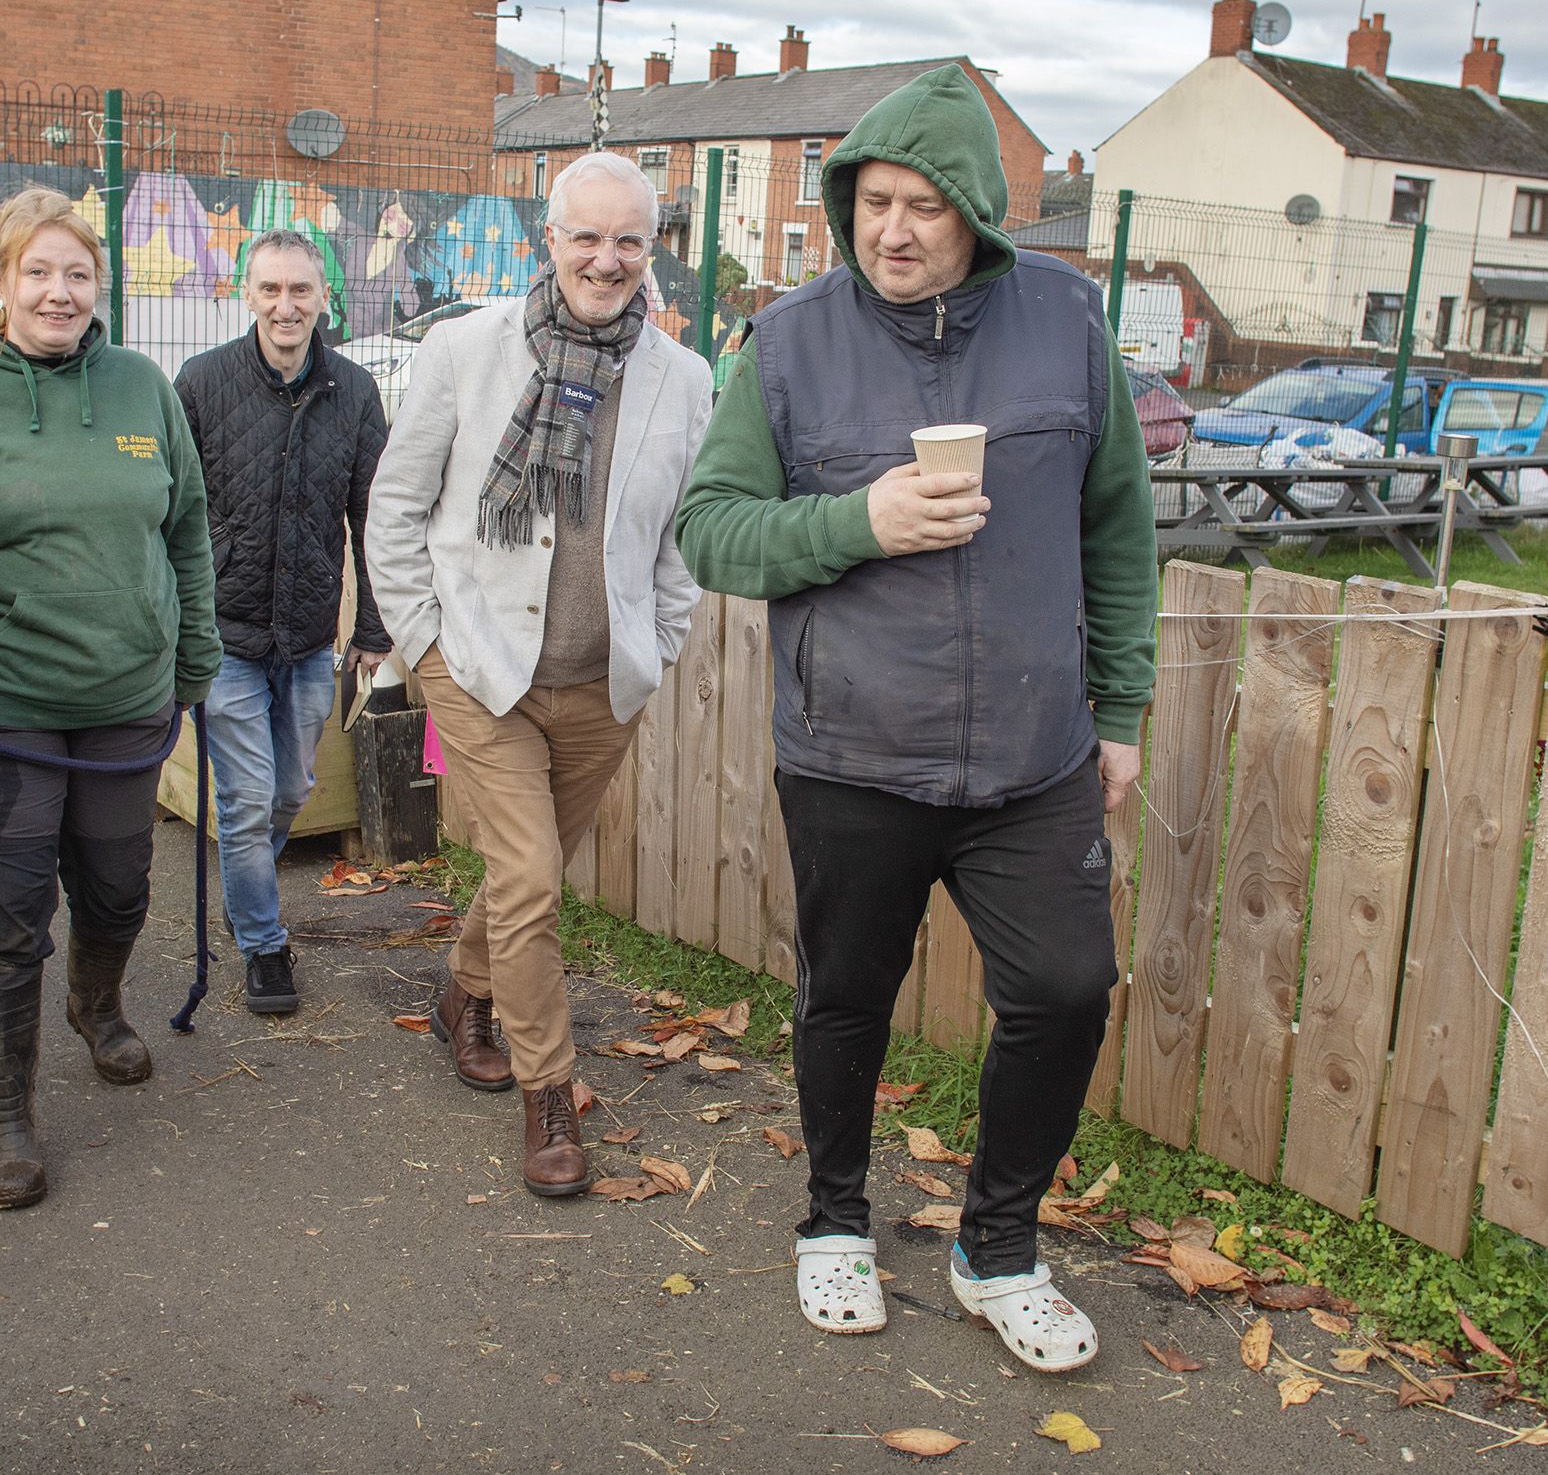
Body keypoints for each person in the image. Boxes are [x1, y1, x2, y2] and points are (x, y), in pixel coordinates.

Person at [674, 67, 1156, 1366]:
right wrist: (857, 522)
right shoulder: (788, 344)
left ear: (980, 220)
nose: (892, 229)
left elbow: (1117, 526)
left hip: (1034, 752)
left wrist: (1120, 705)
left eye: (924, 207)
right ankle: (833, 1220)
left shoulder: (1064, 322)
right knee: (848, 995)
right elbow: (710, 532)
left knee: (1066, 988)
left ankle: (998, 1244)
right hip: (854, 753)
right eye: (873, 201)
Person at [0, 188, 218, 1211]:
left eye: (78, 274)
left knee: (117, 892)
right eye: (39, 272)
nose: (60, 292)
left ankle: (94, 1005)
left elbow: (185, 531)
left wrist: (195, 654)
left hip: (126, 698)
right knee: (8, 917)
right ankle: (9, 1119)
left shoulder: (143, 389)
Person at [367, 150, 713, 1198]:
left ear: (651, 251)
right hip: (479, 667)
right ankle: (548, 1095)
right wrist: (422, 639)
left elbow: (679, 537)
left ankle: (463, 993)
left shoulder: (683, 378)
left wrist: (665, 642)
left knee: (527, 882)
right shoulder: (465, 352)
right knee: (529, 882)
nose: (605, 260)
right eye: (586, 236)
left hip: (601, 681)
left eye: (628, 241)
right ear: (546, 240)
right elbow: (398, 507)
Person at [176, 229, 392, 1017]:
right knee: (245, 797)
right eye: (270, 289)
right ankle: (264, 946)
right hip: (223, 632)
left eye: (300, 289)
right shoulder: (201, 383)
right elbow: (173, 511)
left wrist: (372, 624)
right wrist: (177, 618)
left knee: (291, 787)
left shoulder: (355, 391)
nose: (285, 305)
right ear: (248, 294)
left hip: (306, 637)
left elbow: (374, 515)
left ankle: (246, 888)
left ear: (323, 297)